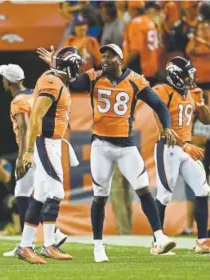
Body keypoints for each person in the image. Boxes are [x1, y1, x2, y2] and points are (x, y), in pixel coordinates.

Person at [37, 43, 177, 262]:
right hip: (101, 146)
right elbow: (71, 79)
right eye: (103, 56)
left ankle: (159, 237)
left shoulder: (136, 80)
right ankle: (98, 246)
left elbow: (159, 105)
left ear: (120, 59)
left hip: (126, 146)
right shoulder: (93, 77)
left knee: (143, 190)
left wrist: (167, 127)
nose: (104, 59)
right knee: (100, 198)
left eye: (110, 56)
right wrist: (56, 64)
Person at [16, 47, 83, 264]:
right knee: (56, 191)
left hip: (51, 142)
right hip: (44, 141)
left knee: (41, 194)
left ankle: (25, 246)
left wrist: (54, 61)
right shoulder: (52, 82)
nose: (78, 71)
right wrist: (27, 151)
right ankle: (49, 244)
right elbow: (35, 117)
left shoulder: (54, 77)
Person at [0, 64, 67, 257]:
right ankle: (30, 241)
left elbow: (26, 128)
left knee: (34, 193)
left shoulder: (18, 101)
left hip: (33, 149)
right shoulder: (33, 93)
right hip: (42, 145)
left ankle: (37, 240)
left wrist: (22, 156)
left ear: (8, 82)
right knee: (30, 191)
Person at [153, 56, 210, 253]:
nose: (190, 80)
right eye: (187, 76)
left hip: (186, 147)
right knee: (164, 195)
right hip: (168, 147)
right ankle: (157, 241)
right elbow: (163, 129)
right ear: (175, 76)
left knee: (203, 190)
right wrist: (184, 146)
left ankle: (203, 240)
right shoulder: (162, 91)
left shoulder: (191, 93)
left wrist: (201, 102)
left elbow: (206, 120)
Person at [123, 1, 159, 86]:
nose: (128, 12)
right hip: (152, 68)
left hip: (140, 69)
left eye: (129, 9)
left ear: (134, 9)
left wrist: (123, 65)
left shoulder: (136, 23)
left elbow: (135, 50)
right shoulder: (148, 20)